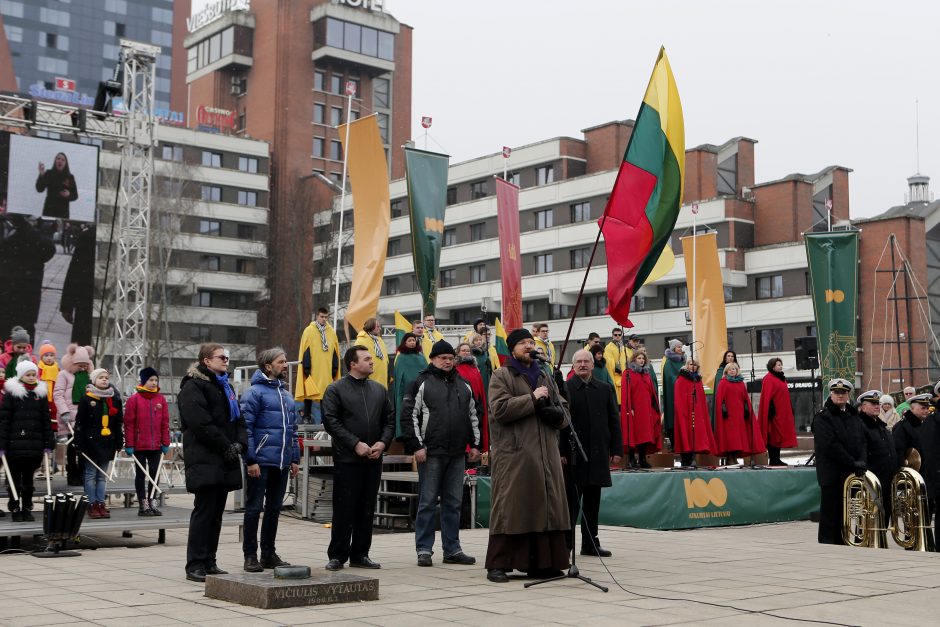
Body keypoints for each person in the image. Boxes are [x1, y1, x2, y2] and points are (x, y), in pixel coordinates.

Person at [484, 328, 569, 583]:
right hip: (516, 455)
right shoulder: (501, 375)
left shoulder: (545, 375)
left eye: (531, 342)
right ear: (512, 350)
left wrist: (558, 415)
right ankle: (498, 565)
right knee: (512, 508)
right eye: (522, 343)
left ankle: (542, 564)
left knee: (545, 506)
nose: (528, 346)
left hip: (546, 453)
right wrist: (531, 399)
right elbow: (499, 409)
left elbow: (563, 408)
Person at [400, 340, 481, 567]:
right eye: (442, 358)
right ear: (433, 359)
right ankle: (424, 550)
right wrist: (416, 446)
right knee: (427, 501)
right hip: (431, 452)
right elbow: (408, 416)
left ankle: (452, 549)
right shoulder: (421, 382)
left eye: (450, 357)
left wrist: (476, 444)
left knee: (453, 502)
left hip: (457, 453)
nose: (447, 361)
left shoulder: (463, 384)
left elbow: (474, 415)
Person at [178, 343, 248, 582]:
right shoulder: (193, 386)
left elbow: (238, 420)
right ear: (206, 361)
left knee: (216, 513)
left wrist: (240, 444)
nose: (226, 361)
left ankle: (209, 560)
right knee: (204, 511)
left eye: (227, 357)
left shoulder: (224, 387)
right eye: (222, 357)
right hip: (205, 457)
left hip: (223, 458)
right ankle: (195, 564)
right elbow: (200, 423)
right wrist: (225, 445)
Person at [322, 345, 395, 571]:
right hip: (347, 460)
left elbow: (390, 420)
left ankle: (361, 554)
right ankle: (337, 555)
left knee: (366, 508)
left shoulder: (379, 390)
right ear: (353, 364)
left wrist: (382, 443)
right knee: (345, 508)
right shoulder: (335, 390)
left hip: (373, 459)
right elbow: (331, 421)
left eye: (371, 358)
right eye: (366, 359)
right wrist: (355, 444)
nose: (372, 362)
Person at [240, 348, 300, 573]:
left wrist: (294, 458)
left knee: (274, 509)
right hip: (261, 462)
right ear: (268, 366)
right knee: (254, 508)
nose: (285, 365)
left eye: (285, 361)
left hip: (282, 463)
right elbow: (246, 429)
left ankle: (268, 553)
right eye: (281, 362)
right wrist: (251, 459)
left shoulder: (286, 394)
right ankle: (250, 556)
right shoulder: (254, 393)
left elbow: (293, 430)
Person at [564, 349, 621, 556]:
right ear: (573, 365)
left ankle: (590, 543)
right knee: (571, 502)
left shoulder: (605, 389)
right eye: (578, 361)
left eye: (586, 361)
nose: (582, 365)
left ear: (592, 364)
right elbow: (560, 424)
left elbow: (614, 421)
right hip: (573, 456)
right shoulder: (566, 388)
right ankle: (566, 544)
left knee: (592, 503)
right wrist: (561, 451)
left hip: (597, 454)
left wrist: (616, 449)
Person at [812, 378, 866, 545]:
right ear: (831, 394)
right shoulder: (823, 417)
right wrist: (852, 462)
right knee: (830, 512)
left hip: (850, 471)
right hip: (832, 472)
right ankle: (828, 544)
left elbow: (861, 440)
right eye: (837, 393)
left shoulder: (852, 415)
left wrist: (861, 460)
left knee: (845, 512)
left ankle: (842, 541)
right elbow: (830, 445)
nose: (840, 396)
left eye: (843, 393)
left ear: (848, 394)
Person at [0, 361, 55, 521]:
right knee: (14, 479)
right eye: (28, 375)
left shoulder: (40, 394)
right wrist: (2, 444)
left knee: (29, 480)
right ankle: (15, 506)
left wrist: (48, 442)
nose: (32, 378)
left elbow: (46, 419)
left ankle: (27, 507)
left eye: (33, 374)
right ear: (21, 375)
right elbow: (4, 420)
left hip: (34, 445)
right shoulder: (12, 394)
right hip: (14, 445)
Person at [74, 368, 123, 520]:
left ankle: (101, 503)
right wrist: (79, 443)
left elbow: (117, 423)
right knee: (90, 475)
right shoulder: (87, 398)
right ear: (94, 380)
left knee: (102, 476)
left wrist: (118, 441)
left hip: (107, 442)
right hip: (90, 443)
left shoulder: (114, 399)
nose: (104, 380)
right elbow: (80, 423)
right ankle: (92, 503)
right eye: (100, 377)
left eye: (106, 377)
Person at [123, 367, 170, 516]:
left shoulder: (160, 399)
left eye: (156, 380)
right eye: (151, 380)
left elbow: (165, 422)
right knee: (141, 474)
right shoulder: (134, 400)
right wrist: (129, 444)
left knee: (155, 474)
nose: (154, 382)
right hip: (139, 445)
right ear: (143, 381)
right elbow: (129, 424)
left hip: (156, 445)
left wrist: (165, 442)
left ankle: (152, 501)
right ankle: (143, 504)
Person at [0, 215, 55, 342]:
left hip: (21, 298)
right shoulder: (31, 236)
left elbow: (48, 250)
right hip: (22, 297)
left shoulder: (26, 236)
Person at [53, 344, 94, 486]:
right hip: (69, 417)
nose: (82, 368)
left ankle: (83, 473)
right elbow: (58, 394)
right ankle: (72, 474)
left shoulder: (89, 377)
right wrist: (64, 411)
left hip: (85, 418)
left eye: (85, 365)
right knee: (71, 447)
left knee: (84, 446)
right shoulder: (63, 374)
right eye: (79, 365)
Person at [856, 389, 898, 523]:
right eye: (872, 403)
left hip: (886, 480)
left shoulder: (880, 426)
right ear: (862, 407)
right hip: (871, 481)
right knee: (869, 520)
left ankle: (880, 543)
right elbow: (861, 453)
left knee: (883, 519)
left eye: (877, 403)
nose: (876, 406)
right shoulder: (860, 426)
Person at [294, 308, 341, 425]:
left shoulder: (331, 332)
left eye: (326, 317)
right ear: (316, 316)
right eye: (322, 317)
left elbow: (335, 351)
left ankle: (326, 419)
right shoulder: (309, 331)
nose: (324, 319)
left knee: (326, 394)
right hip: (313, 368)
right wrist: (306, 368)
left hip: (326, 368)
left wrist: (334, 368)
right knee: (309, 392)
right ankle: (306, 415)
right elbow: (306, 350)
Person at [714, 363, 764, 465]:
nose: (733, 370)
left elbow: (745, 399)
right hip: (727, 415)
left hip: (739, 415)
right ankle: (729, 457)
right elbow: (720, 399)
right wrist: (723, 410)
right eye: (730, 369)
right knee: (730, 437)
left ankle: (734, 456)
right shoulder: (723, 383)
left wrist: (746, 410)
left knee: (738, 437)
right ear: (726, 371)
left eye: (734, 369)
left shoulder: (741, 383)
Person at [672, 359, 717, 466]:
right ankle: (685, 460)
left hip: (696, 413)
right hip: (685, 413)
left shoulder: (697, 380)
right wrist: (683, 411)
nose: (693, 367)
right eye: (691, 364)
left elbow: (701, 399)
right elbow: (679, 399)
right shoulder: (681, 380)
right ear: (687, 365)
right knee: (685, 434)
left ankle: (692, 458)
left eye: (695, 365)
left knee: (695, 436)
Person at [758, 358, 799, 465]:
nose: (780, 367)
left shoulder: (781, 378)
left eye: (781, 365)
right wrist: (770, 410)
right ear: (772, 367)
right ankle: (773, 459)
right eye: (778, 365)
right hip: (774, 413)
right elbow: (767, 396)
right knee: (773, 436)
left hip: (783, 413)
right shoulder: (768, 378)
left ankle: (777, 458)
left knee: (780, 436)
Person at [623, 351, 661, 468]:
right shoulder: (628, 373)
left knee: (644, 436)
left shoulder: (646, 374)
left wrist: (654, 407)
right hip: (634, 410)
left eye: (643, 358)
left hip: (646, 410)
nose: (641, 360)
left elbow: (652, 392)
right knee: (633, 434)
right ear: (634, 359)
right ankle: (631, 459)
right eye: (639, 358)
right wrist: (630, 408)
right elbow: (626, 392)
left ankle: (642, 459)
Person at [390, 333, 427, 439]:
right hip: (406, 392)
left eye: (414, 340)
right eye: (410, 340)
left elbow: (426, 373)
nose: (412, 342)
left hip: (421, 390)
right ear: (405, 342)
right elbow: (399, 377)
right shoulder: (401, 357)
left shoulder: (421, 357)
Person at [455, 342, 488, 451]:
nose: (466, 352)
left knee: (477, 426)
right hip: (463, 403)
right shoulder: (456, 368)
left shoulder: (474, 368)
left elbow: (480, 386)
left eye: (468, 350)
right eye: (463, 350)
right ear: (458, 352)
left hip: (477, 402)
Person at [35, 153, 78, 219]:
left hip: (63, 213)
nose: (60, 161)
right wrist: (42, 174)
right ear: (55, 161)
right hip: (49, 211)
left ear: (66, 163)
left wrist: (68, 194)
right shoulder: (49, 173)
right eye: (58, 158)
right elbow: (39, 189)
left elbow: (75, 196)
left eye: (63, 160)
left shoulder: (70, 177)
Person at [893, 392, 932, 466]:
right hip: (914, 471)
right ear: (912, 409)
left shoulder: (924, 424)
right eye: (923, 408)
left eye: (927, 408)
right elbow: (898, 453)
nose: (926, 411)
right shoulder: (902, 427)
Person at [661, 339, 686, 446]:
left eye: (681, 346)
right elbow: (670, 378)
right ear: (673, 349)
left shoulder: (684, 361)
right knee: (673, 417)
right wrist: (682, 380)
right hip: (674, 395)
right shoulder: (669, 362)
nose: (680, 349)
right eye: (678, 347)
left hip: (684, 394)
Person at [354, 317, 389, 389]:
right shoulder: (361, 341)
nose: (380, 328)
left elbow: (385, 360)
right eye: (378, 326)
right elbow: (358, 363)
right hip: (368, 382)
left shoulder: (380, 340)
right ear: (371, 327)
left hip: (383, 381)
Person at [37, 341, 59, 433]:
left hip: (54, 398)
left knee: (54, 418)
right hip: (42, 397)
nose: (49, 358)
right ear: (41, 357)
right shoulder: (38, 369)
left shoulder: (58, 369)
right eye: (46, 355)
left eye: (51, 355)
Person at [603, 328, 629, 404]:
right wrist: (621, 370)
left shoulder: (623, 347)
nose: (617, 336)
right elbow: (610, 364)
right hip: (615, 377)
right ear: (612, 335)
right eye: (615, 335)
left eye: (619, 335)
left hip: (624, 378)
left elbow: (626, 361)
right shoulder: (608, 348)